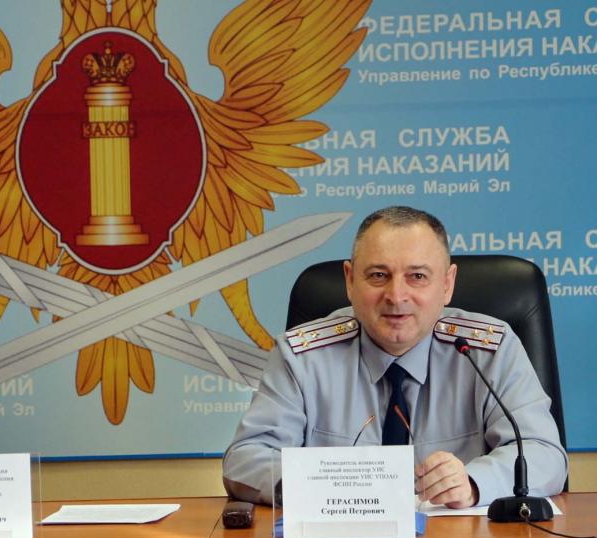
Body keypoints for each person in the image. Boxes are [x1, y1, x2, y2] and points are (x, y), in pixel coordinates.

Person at [223, 205, 567, 508]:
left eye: (417, 277)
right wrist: (318, 485)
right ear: (350, 281)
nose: (396, 295)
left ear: (447, 284)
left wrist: (475, 483)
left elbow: (544, 454)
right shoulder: (302, 357)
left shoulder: (488, 351)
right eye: (378, 276)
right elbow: (245, 459)